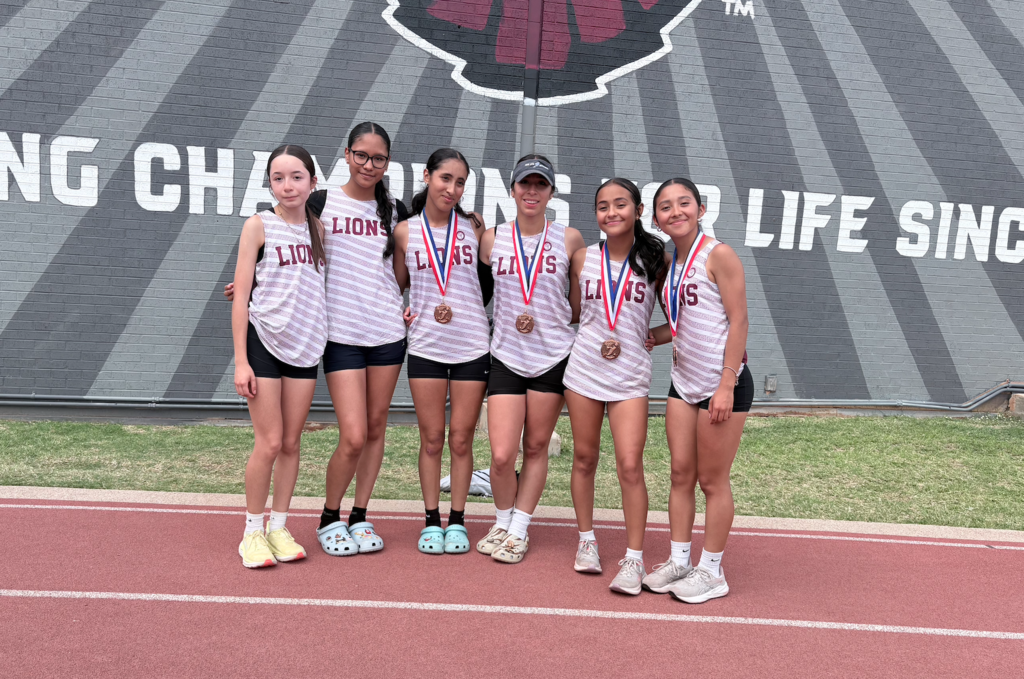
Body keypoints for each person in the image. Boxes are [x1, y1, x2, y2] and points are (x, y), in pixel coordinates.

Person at [226, 122, 410, 556]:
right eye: (361, 155)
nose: (368, 164)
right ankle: (286, 525)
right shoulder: (320, 209)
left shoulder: (395, 211)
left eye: (378, 157)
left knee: (361, 431)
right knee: (344, 435)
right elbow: (270, 269)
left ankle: (348, 517)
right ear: (345, 155)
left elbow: (407, 269)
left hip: (381, 333)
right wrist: (246, 289)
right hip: (333, 336)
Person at [643, 178, 752, 603]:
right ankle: (679, 560)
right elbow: (683, 322)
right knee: (680, 475)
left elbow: (738, 320)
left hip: (721, 383)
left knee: (712, 480)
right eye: (666, 208)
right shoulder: (671, 264)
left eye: (683, 203)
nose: (676, 212)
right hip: (682, 383)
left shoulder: (719, 254)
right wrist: (655, 334)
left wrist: (727, 384)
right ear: (656, 220)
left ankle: (712, 572)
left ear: (701, 209)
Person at [476, 155, 586, 564]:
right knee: (503, 454)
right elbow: (476, 294)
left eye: (541, 185)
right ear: (513, 189)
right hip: (505, 353)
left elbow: (576, 305)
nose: (532, 191)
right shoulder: (491, 239)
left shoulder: (569, 239)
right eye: (525, 184)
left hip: (552, 355)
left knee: (536, 446)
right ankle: (502, 521)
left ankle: (519, 529)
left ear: (551, 192)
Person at [563, 178, 665, 594]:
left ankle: (634, 560)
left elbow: (685, 312)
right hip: (584, 368)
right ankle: (587, 542)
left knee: (629, 465)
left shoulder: (657, 260)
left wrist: (656, 337)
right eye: (603, 206)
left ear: (638, 210)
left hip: (630, 375)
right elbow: (570, 311)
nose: (611, 213)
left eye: (620, 204)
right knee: (585, 459)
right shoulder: (583, 257)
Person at [231, 145, 328, 568]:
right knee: (269, 442)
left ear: (312, 181)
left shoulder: (318, 230)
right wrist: (241, 360)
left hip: (306, 347)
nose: (287, 185)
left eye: (296, 176)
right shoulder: (258, 226)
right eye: (278, 177)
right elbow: (240, 298)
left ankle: (279, 526)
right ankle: (252, 532)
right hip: (264, 343)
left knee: (291, 442)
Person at [392, 149, 490, 555]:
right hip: (428, 346)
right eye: (445, 178)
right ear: (427, 176)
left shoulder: (475, 227)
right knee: (432, 439)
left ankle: (457, 520)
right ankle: (431, 520)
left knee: (462, 440)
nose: (452, 188)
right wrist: (401, 312)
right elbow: (392, 285)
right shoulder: (404, 231)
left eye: (461, 182)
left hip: (471, 344)